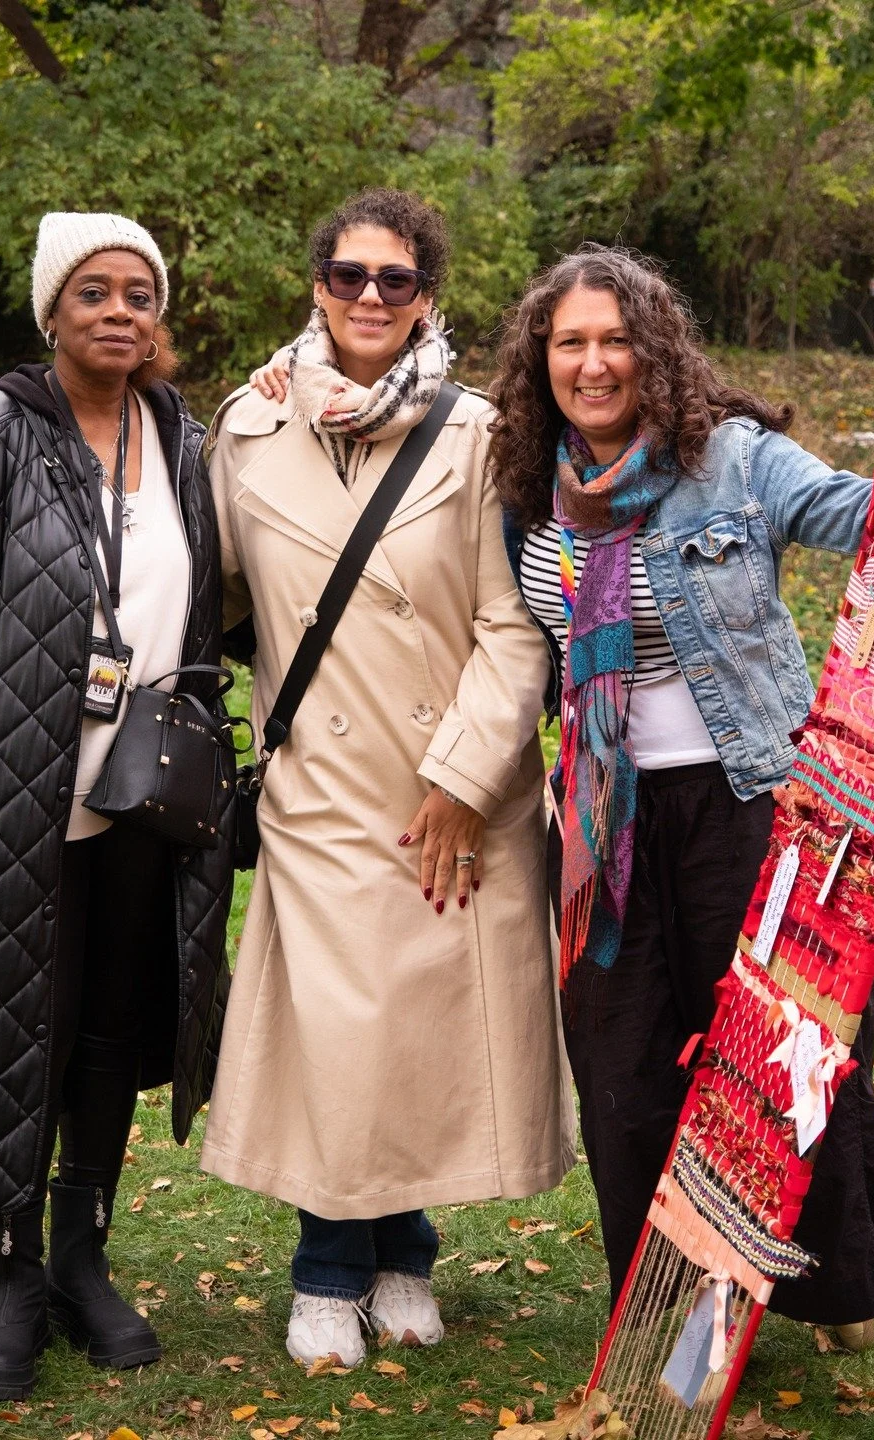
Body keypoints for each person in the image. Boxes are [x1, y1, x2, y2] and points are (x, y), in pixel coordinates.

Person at [487, 245, 874, 1353]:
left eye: (616, 339)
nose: (594, 363)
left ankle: (825, 1287)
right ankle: (674, 1308)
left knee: (782, 1047)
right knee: (624, 1065)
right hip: (604, 822)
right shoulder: (527, 486)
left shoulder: (730, 460)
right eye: (571, 342)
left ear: (654, 349)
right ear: (541, 358)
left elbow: (851, 505)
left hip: (748, 803)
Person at [0, 212, 235, 1401]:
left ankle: (84, 1254)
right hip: (16, 806)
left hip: (149, 797)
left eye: (139, 293)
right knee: (22, 1026)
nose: (120, 311)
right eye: (94, 292)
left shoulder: (182, 441)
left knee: (113, 1028)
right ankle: (13, 1273)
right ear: (51, 311)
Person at [204, 188, 574, 1369]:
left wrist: (463, 777)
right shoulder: (247, 428)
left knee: (417, 1030)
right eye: (350, 275)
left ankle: (405, 1250)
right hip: (318, 779)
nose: (371, 295)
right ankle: (328, 1268)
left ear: (427, 297)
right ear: (318, 287)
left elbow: (515, 624)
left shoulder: (479, 434)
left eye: (396, 279)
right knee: (341, 1029)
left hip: (449, 782)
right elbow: (219, 598)